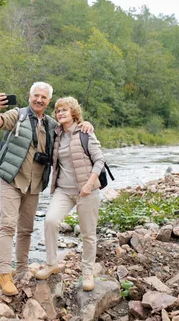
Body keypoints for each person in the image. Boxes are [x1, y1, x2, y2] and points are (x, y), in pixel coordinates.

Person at [0, 83, 93, 296]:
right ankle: (4, 273)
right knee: (8, 226)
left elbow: (70, 131)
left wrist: (86, 124)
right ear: (29, 96)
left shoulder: (51, 125)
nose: (39, 99)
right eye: (36, 95)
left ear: (48, 102)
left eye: (44, 97)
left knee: (26, 229)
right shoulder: (16, 115)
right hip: (12, 178)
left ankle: (21, 269)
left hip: (35, 184)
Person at [35, 96, 105, 292]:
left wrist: (89, 185)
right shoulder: (56, 133)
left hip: (87, 191)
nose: (60, 113)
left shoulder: (85, 132)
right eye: (58, 111)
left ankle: (88, 273)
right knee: (50, 221)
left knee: (88, 234)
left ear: (73, 112)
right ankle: (51, 264)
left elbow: (100, 161)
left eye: (65, 110)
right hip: (63, 191)